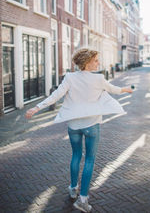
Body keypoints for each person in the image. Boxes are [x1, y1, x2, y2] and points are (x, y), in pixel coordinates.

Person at [25, 48, 133, 212]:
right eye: (96, 60)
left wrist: (36, 107)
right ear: (88, 62)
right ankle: (82, 200)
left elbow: (56, 96)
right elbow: (113, 89)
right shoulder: (99, 79)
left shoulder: (69, 77)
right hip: (92, 126)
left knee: (76, 155)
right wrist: (126, 89)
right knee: (89, 159)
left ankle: (73, 188)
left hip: (73, 126)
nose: (98, 63)